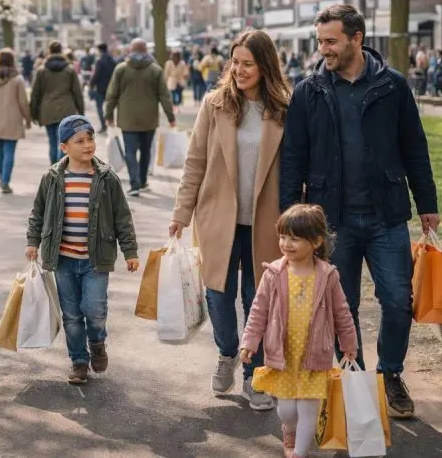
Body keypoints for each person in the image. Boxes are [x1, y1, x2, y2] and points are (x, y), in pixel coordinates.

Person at [280, 3, 439, 419]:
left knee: (399, 302)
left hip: (386, 214)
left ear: (356, 38)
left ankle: (390, 376)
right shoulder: (308, 91)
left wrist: (428, 205)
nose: (323, 49)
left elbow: (414, 147)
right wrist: (290, 218)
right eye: (320, 41)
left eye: (330, 41)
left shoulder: (394, 86)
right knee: (341, 306)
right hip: (331, 221)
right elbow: (293, 157)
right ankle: (356, 379)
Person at [169, 28, 292, 412]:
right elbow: (195, 162)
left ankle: (254, 376)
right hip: (218, 216)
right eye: (234, 62)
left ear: (265, 65)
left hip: (266, 221)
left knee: (258, 300)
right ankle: (226, 352)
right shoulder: (215, 104)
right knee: (218, 294)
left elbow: (295, 166)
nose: (238, 70)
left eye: (247, 64)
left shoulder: (285, 107)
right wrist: (181, 213)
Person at [25, 115, 140, 385]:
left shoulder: (106, 177)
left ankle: (97, 342)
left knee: (95, 310)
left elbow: (122, 216)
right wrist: (33, 241)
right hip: (63, 260)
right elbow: (38, 212)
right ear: (64, 147)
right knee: (72, 314)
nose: (88, 145)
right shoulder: (53, 177)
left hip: (95, 260)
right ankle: (78, 361)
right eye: (80, 141)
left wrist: (130, 251)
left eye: (90, 139)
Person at [240, 204, 358, 458]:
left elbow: (342, 312)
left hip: (315, 358)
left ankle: (300, 453)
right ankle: (289, 430)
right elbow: (258, 311)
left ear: (315, 242)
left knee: (308, 410)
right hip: (283, 357)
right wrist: (249, 342)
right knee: (287, 411)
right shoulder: (273, 274)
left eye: (294, 238)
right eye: (283, 236)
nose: (286, 243)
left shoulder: (328, 276)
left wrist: (349, 343)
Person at [104, 38, 175, 196]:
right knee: (145, 151)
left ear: (130, 50)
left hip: (127, 118)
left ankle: (134, 183)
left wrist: (108, 115)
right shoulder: (155, 70)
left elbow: (112, 94)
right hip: (149, 119)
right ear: (146, 51)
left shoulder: (121, 69)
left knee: (130, 151)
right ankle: (142, 181)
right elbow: (164, 96)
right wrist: (171, 117)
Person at [0, 48, 32, 194]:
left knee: (0, 150)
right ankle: (5, 181)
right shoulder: (17, 79)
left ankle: (1, 178)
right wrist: (28, 119)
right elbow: (23, 102)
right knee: (9, 151)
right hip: (12, 119)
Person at [30, 41, 85, 165]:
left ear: (49, 51)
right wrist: (81, 111)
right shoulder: (69, 70)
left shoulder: (41, 71)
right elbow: (77, 92)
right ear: (61, 51)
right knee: (64, 141)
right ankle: (61, 167)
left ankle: (54, 168)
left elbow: (35, 94)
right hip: (67, 109)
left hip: (47, 109)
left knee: (52, 141)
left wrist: (33, 113)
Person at [89, 43, 116, 134]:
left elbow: (96, 74)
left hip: (100, 87)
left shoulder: (99, 60)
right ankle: (109, 123)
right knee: (109, 106)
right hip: (110, 87)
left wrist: (92, 84)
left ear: (99, 50)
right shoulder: (112, 60)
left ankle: (104, 125)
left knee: (99, 107)